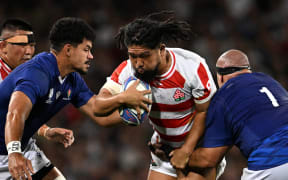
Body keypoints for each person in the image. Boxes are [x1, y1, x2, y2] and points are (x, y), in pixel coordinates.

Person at [0, 17, 151, 180]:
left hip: (21, 147)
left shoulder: (72, 80)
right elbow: (15, 113)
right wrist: (14, 152)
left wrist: (131, 114)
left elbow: (97, 111)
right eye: (86, 49)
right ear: (68, 49)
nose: (91, 56)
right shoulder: (37, 73)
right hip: (11, 149)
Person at [97, 11, 226, 180]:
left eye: (144, 56)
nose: (138, 63)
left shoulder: (192, 66)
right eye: (133, 56)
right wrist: (122, 98)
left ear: (161, 49)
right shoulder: (128, 70)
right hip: (164, 149)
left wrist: (186, 150)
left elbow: (205, 112)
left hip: (200, 147)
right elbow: (99, 103)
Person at [186, 49, 288, 180]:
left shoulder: (223, 96)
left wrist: (181, 155)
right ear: (248, 70)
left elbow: (208, 159)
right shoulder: (269, 80)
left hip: (273, 162)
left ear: (220, 76)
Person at [0, 18, 76, 180]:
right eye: (21, 45)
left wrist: (45, 131)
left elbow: (21, 114)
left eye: (31, 45)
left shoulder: (31, 75)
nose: (28, 51)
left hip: (21, 148)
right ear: (3, 47)